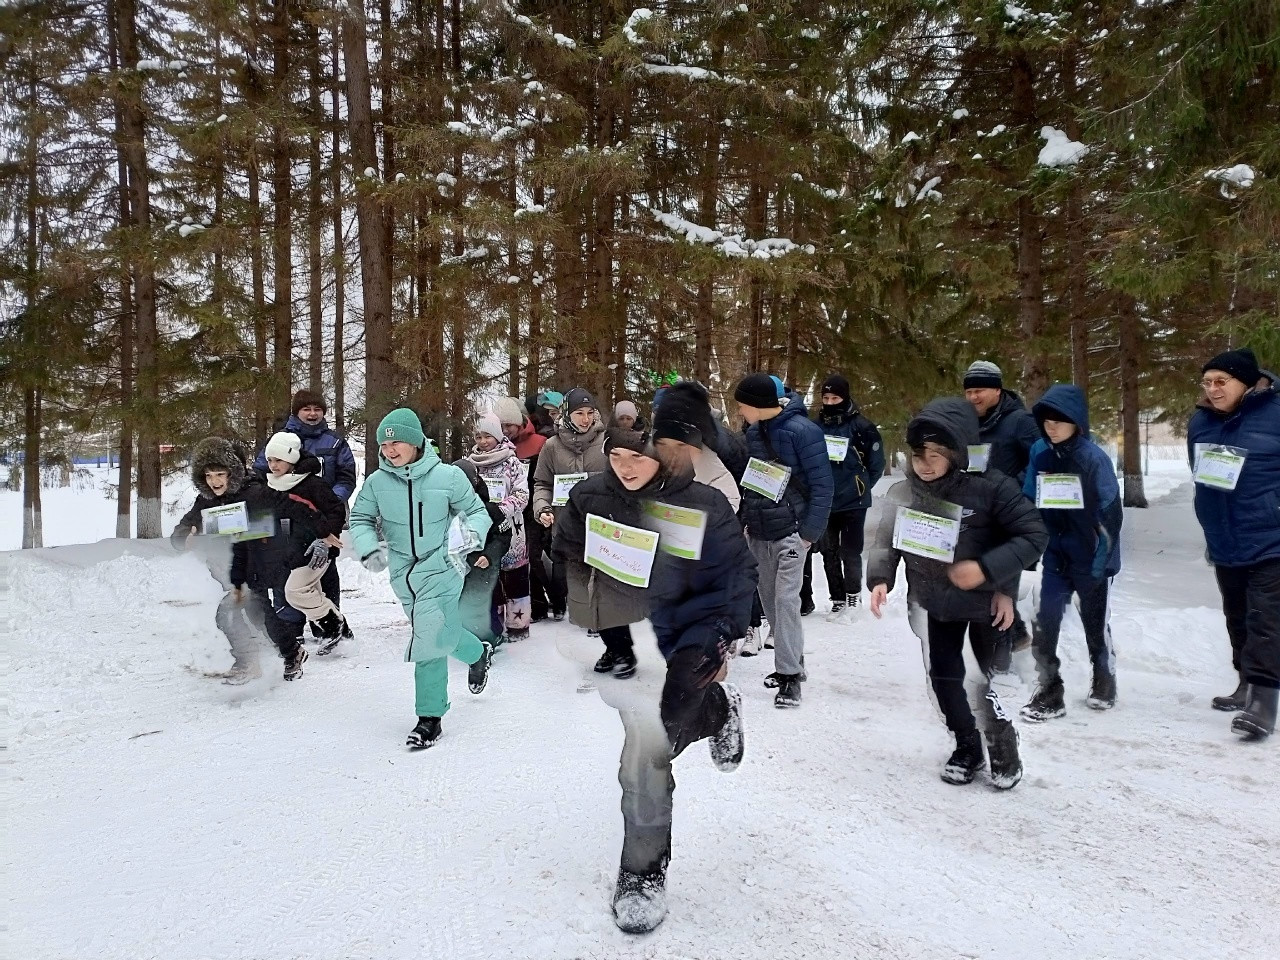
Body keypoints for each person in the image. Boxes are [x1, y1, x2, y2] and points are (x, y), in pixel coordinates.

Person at [552, 427, 757, 933]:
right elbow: (566, 550)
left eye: (637, 457)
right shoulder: (590, 495)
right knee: (646, 754)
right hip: (633, 634)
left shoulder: (703, 502)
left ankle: (715, 707)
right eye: (616, 455)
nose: (625, 467)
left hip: (690, 635)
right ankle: (642, 875)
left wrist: (722, 631)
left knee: (663, 732)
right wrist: (592, 593)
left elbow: (739, 573)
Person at [867, 398, 1047, 788]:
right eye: (919, 454)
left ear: (956, 453)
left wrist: (995, 580)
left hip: (985, 604)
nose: (925, 463)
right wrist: (880, 578)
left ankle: (1001, 741)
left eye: (936, 454)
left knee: (979, 682)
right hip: (936, 602)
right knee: (945, 678)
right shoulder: (904, 493)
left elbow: (1031, 536)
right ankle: (967, 745)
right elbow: (885, 539)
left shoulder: (990, 488)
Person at [349, 409, 496, 749]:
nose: (389, 450)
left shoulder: (448, 476)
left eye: (396, 442)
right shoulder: (376, 483)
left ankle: (430, 717)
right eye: (384, 445)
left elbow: (476, 512)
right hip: (404, 574)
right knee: (441, 632)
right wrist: (369, 548)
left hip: (443, 566)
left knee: (428, 636)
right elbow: (360, 518)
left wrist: (469, 538)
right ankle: (477, 653)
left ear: (415, 441)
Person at [1187, 348, 1279, 740]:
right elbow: (1199, 473)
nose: (1212, 389)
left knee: (1266, 619)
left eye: (1221, 381)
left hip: (1271, 538)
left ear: (1246, 382)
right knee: (1237, 616)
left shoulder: (1275, 413)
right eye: (1207, 382)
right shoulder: (1200, 421)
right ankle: (1245, 683)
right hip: (1224, 538)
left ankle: (1264, 703)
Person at [1020, 384, 1124, 722]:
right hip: (1055, 554)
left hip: (1090, 555)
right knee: (1045, 621)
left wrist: (1102, 558)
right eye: (1046, 421)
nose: (1051, 427)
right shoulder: (1040, 451)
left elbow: (1110, 511)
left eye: (1059, 421)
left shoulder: (1093, 458)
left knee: (1094, 623)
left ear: (1077, 422)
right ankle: (1050, 690)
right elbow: (1030, 498)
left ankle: (1104, 675)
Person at [733, 372, 833, 706]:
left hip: (791, 532)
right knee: (770, 601)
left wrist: (808, 534)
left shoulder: (804, 432)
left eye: (743, 405)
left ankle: (790, 678)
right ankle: (790, 663)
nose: (740, 411)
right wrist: (746, 521)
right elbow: (752, 482)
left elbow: (823, 486)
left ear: (758, 404)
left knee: (787, 602)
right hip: (759, 531)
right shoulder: (753, 432)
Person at [254, 389, 357, 614]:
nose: (312, 414)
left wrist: (329, 500)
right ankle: (290, 625)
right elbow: (260, 473)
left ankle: (329, 622)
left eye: (317, 409)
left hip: (324, 519)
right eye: (306, 409)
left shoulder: (335, 442)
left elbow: (347, 476)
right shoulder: (279, 440)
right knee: (286, 574)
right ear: (296, 412)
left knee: (324, 572)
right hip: (285, 522)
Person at [171, 437, 264, 684]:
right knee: (258, 616)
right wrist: (184, 537)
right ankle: (283, 652)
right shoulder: (206, 498)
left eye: (220, 474)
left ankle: (251, 662)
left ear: (233, 472)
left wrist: (236, 531)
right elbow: (184, 526)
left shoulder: (254, 492)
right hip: (226, 571)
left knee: (228, 614)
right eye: (209, 475)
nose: (214, 481)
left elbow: (270, 527)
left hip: (254, 570)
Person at [800, 374, 884, 618]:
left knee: (851, 551)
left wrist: (861, 485)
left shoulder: (862, 427)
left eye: (835, 398)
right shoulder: (814, 427)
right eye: (825, 398)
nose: (829, 402)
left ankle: (853, 596)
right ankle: (837, 598)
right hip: (824, 500)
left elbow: (876, 464)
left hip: (853, 501)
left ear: (845, 398)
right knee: (829, 552)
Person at [261, 432, 353, 654]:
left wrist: (325, 538)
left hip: (316, 549)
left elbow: (336, 510)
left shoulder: (313, 484)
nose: (273, 465)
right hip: (290, 552)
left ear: (292, 458)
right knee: (311, 591)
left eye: (279, 460)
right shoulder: (270, 485)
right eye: (270, 460)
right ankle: (342, 632)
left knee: (296, 591)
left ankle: (334, 626)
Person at [532, 388, 609, 620]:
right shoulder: (551, 446)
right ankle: (568, 605)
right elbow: (542, 483)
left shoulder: (607, 443)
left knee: (599, 568)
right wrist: (542, 508)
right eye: (579, 413)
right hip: (566, 523)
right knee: (569, 571)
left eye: (590, 413)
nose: (586, 419)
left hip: (599, 522)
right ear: (566, 414)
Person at [463, 414, 531, 641]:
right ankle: (494, 625)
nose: (483, 441)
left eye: (488, 436)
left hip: (511, 527)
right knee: (488, 576)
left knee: (515, 577)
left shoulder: (512, 462)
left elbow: (522, 494)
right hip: (484, 530)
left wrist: (500, 509)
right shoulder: (471, 463)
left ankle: (518, 624)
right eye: (478, 437)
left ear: (498, 436)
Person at [496, 397, 553, 623]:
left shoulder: (539, 443)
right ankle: (527, 604)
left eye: (509, 425)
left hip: (532, 510)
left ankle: (548, 601)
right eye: (501, 426)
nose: (505, 430)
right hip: (508, 511)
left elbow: (544, 478)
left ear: (520, 422)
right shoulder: (496, 446)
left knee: (533, 557)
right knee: (514, 560)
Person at [455, 458, 514, 647]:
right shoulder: (444, 511)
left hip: (483, 568)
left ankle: (490, 637)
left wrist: (489, 555)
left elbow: (503, 536)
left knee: (483, 603)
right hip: (456, 568)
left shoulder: (490, 509)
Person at [962, 361, 1041, 484]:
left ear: (997, 390)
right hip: (978, 494)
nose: (973, 397)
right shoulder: (967, 424)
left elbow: (1041, 460)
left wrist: (1012, 487)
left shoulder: (1021, 420)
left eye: (979, 391)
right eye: (969, 392)